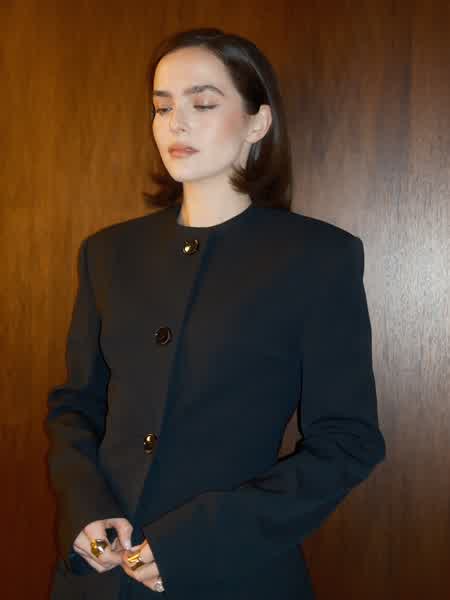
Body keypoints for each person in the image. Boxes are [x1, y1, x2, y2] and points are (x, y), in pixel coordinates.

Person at [46, 27, 386, 600]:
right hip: (100, 576)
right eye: (162, 107)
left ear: (257, 122)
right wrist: (85, 514)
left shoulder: (318, 258)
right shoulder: (108, 253)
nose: (175, 124)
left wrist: (202, 541)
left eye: (202, 103)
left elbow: (348, 440)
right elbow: (77, 406)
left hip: (235, 572)